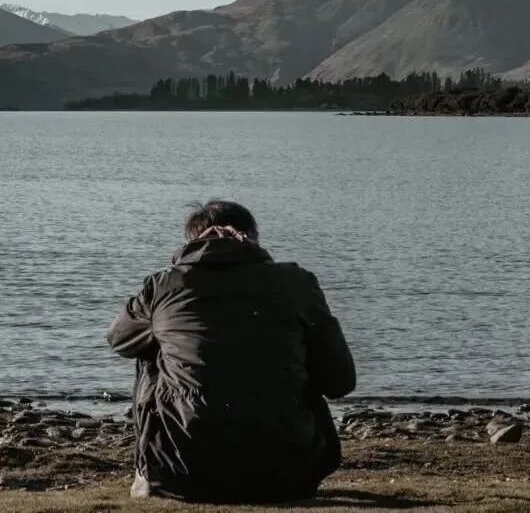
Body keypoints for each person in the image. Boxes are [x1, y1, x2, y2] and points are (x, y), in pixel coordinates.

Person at [107, 200, 355, 503]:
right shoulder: (296, 282)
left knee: (151, 347)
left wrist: (180, 265)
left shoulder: (164, 285)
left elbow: (118, 339)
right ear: (253, 236)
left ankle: (148, 471)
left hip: (181, 472)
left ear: (192, 241)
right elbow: (340, 381)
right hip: (289, 474)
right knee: (302, 347)